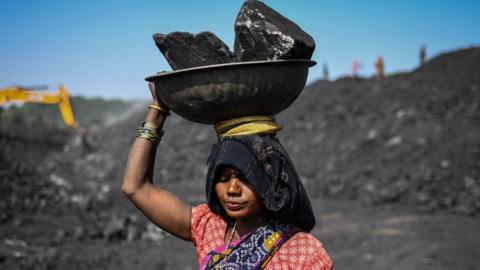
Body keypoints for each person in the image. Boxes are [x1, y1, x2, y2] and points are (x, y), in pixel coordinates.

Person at [121, 83, 333, 269]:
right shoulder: (210, 228)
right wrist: (158, 110)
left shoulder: (303, 253)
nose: (232, 189)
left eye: (246, 178)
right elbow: (135, 187)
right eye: (223, 179)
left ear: (268, 181)